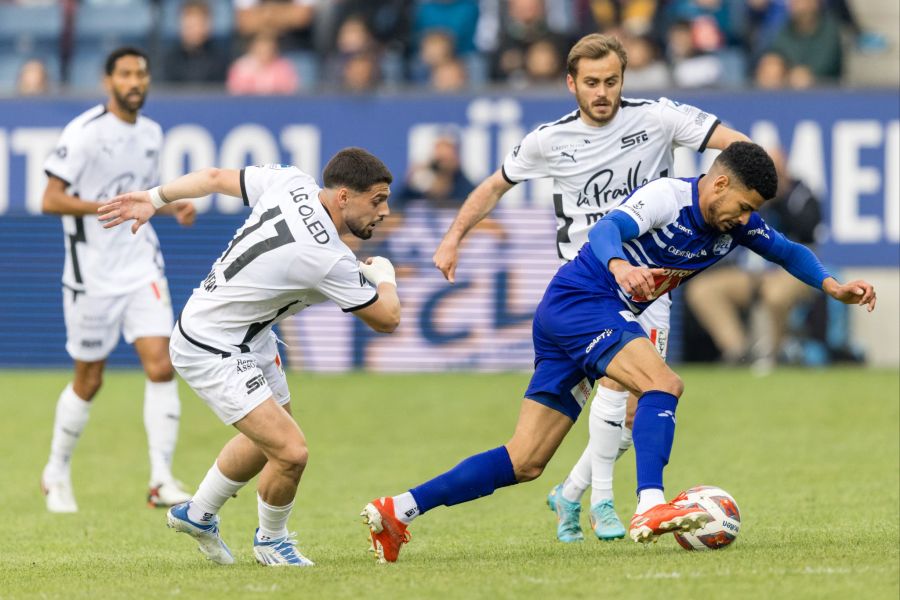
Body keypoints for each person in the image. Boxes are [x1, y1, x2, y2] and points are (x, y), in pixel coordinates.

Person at [362, 142, 877, 562]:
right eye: (743, 205)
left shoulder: (736, 224)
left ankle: (398, 509)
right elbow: (608, 228)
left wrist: (831, 286)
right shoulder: (667, 197)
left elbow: (786, 250)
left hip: (576, 314)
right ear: (719, 183)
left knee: (525, 460)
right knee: (664, 384)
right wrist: (617, 267)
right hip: (583, 300)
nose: (745, 218)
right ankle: (649, 504)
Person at [431, 32, 750, 544]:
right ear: (571, 83)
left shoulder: (658, 118)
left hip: (652, 284)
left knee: (634, 412)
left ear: (624, 80)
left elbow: (734, 145)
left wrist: (743, 179)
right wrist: (453, 237)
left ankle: (572, 493)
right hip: (590, 287)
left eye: (612, 82)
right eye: (592, 83)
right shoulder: (548, 140)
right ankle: (604, 500)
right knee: (628, 387)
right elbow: (493, 185)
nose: (602, 92)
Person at [98, 148, 401, 567]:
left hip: (244, 334)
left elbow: (213, 176)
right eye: (378, 199)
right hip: (212, 344)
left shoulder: (292, 181)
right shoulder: (328, 258)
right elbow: (387, 319)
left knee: (268, 441)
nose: (385, 210)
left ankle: (198, 514)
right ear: (344, 196)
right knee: (291, 451)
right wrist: (385, 278)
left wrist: (153, 198)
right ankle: (271, 541)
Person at [39, 47, 197, 513]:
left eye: (141, 74)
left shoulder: (151, 133)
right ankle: (56, 470)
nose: (135, 82)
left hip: (140, 265)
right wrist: (104, 207)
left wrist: (171, 204)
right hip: (91, 277)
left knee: (161, 365)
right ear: (108, 81)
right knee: (89, 380)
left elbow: (141, 194)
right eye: (126, 74)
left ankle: (162, 480)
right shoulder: (85, 133)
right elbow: (50, 199)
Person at [685, 147, 822, 371]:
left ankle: (773, 356)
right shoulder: (744, 194)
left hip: (787, 272)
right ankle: (737, 352)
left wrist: (781, 197)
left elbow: (808, 231)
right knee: (703, 290)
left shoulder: (801, 194)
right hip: (750, 272)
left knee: (775, 295)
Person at [161, 0, 230, 84]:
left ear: (207, 26)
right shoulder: (169, 60)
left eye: (196, 25)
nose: (191, 30)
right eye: (188, 26)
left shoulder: (220, 61)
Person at [226, 31, 300, 95]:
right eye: (261, 48)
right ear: (252, 48)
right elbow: (235, 91)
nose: (265, 51)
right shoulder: (241, 67)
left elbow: (289, 90)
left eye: (269, 48)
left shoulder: (284, 66)